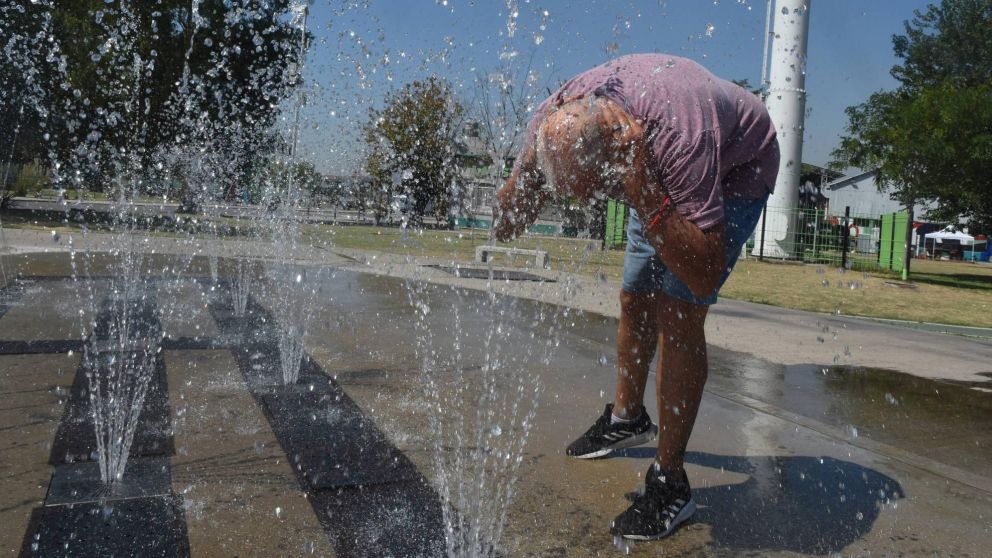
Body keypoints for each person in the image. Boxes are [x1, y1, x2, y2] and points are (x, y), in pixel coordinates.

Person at [492, 53, 779, 541]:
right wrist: (520, 196)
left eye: (598, 189)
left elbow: (703, 274)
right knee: (635, 296)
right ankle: (628, 418)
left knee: (679, 309)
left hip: (737, 167)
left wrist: (645, 191)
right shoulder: (551, 120)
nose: (588, 204)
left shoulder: (679, 139)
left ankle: (671, 484)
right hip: (646, 163)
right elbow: (508, 216)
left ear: (618, 159)